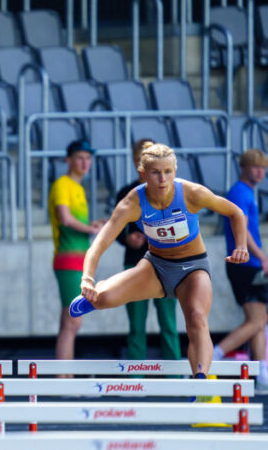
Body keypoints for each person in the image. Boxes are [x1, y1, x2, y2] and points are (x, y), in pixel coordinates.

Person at [70, 143, 249, 378]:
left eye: (168, 172)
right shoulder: (132, 202)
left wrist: (242, 246)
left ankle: (200, 379)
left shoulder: (192, 194)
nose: (163, 179)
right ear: (143, 174)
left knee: (196, 318)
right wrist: (87, 278)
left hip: (192, 268)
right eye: (155, 173)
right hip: (156, 266)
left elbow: (235, 212)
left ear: (175, 171)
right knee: (105, 299)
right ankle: (98, 292)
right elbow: (100, 242)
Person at [115, 139, 181, 362]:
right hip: (135, 263)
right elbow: (114, 229)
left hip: (166, 265)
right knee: (136, 324)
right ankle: (136, 377)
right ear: (137, 163)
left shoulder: (173, 192)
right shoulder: (126, 192)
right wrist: (128, 239)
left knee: (169, 323)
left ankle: (175, 378)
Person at [215, 149, 268, 391]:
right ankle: (215, 355)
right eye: (256, 167)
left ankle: (262, 372)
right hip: (244, 263)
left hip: (250, 263)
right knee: (258, 319)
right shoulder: (238, 192)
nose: (261, 172)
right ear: (243, 168)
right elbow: (241, 229)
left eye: (263, 168)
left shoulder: (248, 193)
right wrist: (262, 256)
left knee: (258, 319)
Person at [48, 140, 105, 362]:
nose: (85, 162)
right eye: (80, 157)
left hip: (79, 258)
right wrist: (90, 228)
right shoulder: (63, 184)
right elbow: (65, 218)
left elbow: (74, 222)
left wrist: (91, 226)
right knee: (73, 319)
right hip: (68, 257)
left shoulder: (77, 187)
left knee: (70, 320)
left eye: (88, 158)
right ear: (68, 160)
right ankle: (64, 379)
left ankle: (65, 377)